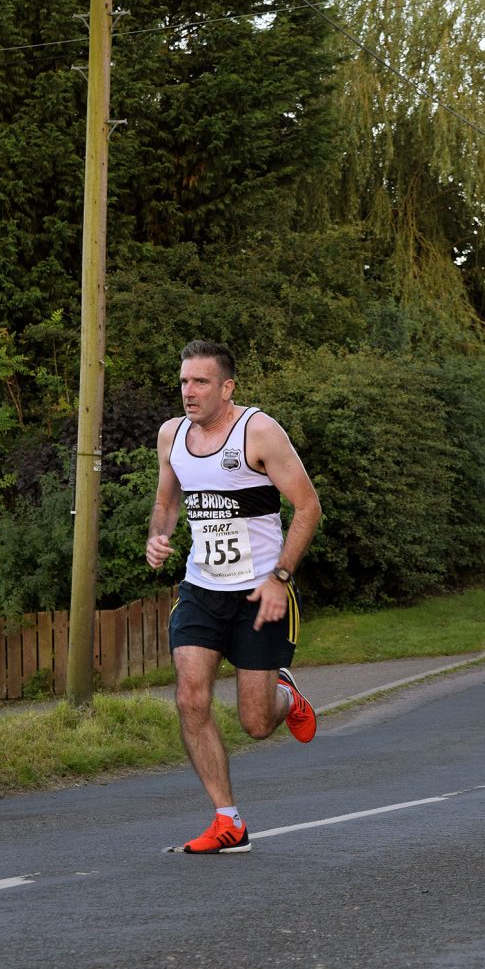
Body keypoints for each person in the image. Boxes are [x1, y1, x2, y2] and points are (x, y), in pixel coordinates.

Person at [146, 341, 322, 854]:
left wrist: (280, 577)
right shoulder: (171, 435)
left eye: (200, 382)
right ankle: (228, 820)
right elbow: (167, 501)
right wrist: (158, 536)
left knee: (256, 723)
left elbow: (308, 506)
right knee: (190, 696)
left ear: (226, 388)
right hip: (201, 589)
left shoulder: (258, 432)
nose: (189, 391)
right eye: (184, 381)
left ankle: (286, 695)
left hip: (260, 594)